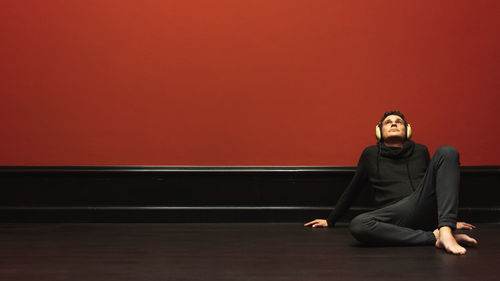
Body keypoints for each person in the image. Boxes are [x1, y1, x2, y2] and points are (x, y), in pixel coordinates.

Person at [304, 111, 478, 255]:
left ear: (407, 130)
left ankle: (446, 230)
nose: (394, 124)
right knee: (359, 224)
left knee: (447, 152)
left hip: (420, 203)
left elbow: (435, 185)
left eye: (399, 122)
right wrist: (331, 220)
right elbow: (353, 189)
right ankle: (435, 237)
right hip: (395, 215)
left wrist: (448, 220)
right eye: (388, 122)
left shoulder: (421, 150)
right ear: (379, 131)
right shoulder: (370, 154)